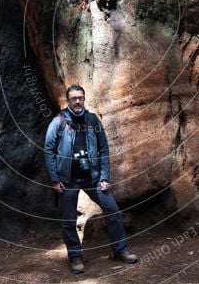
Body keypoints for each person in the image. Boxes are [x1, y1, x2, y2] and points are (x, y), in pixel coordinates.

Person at [44, 84, 138, 273]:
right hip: (68, 179)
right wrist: (55, 179)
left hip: (93, 178)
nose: (77, 101)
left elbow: (103, 149)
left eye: (80, 98)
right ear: (68, 101)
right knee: (69, 220)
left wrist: (104, 176)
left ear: (84, 99)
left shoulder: (93, 120)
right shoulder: (59, 121)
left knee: (113, 210)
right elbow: (48, 150)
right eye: (73, 98)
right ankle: (76, 258)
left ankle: (120, 250)